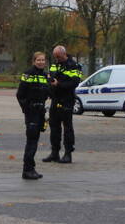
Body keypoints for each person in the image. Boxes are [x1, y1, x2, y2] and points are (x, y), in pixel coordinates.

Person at [43, 45, 83, 164]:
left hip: (67, 100)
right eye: (55, 57)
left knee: (67, 128)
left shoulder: (74, 66)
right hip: (55, 99)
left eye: (58, 57)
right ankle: (54, 152)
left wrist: (58, 84)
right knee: (54, 127)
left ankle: (68, 154)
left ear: (64, 54)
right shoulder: (55, 64)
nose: (57, 59)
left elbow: (74, 83)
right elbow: (51, 78)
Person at [16, 51, 51, 180]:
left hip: (40, 111)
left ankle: (31, 168)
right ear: (34, 61)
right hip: (31, 112)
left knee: (35, 140)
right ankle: (27, 170)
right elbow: (20, 95)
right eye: (38, 60)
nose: (41, 62)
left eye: (43, 60)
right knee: (31, 141)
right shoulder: (28, 74)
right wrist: (26, 109)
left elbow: (48, 91)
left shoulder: (46, 75)